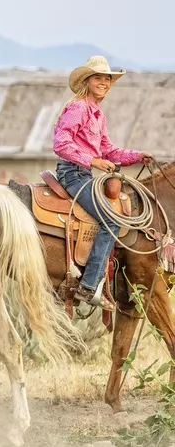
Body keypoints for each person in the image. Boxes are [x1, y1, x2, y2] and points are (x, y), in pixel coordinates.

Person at [52, 55, 152, 310]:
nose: (104, 82)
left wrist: (137, 156)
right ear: (87, 81)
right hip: (72, 173)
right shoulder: (78, 108)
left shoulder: (97, 115)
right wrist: (93, 162)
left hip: (84, 174)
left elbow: (108, 150)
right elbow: (61, 144)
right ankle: (89, 284)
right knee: (111, 218)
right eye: (99, 78)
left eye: (107, 79)